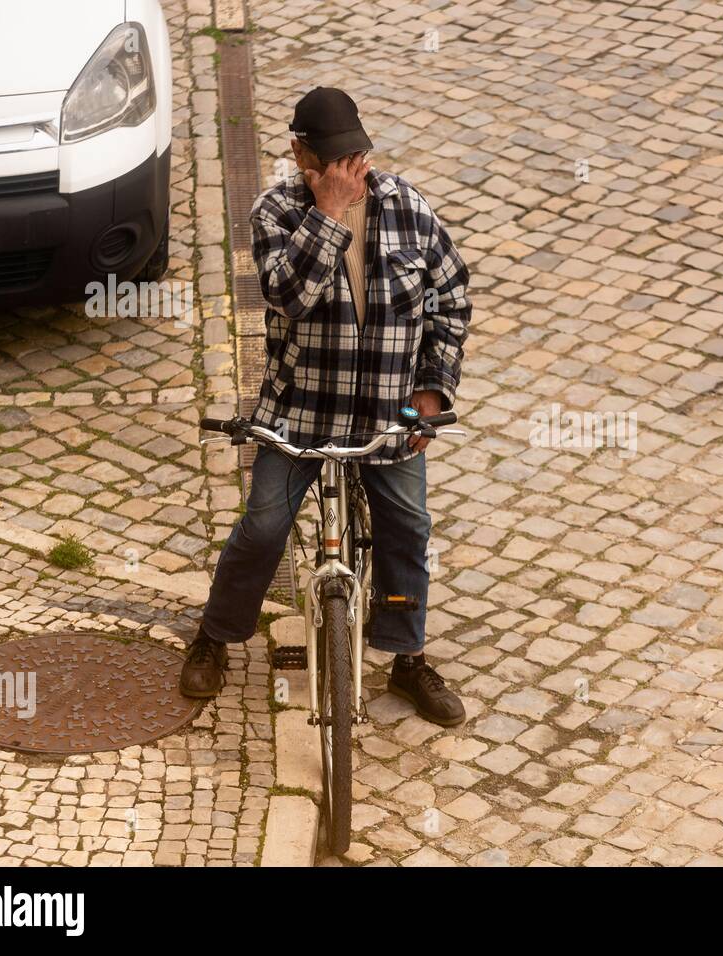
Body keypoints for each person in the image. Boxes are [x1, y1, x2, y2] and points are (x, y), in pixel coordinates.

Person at [179, 87, 471, 727]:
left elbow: (450, 300)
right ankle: (215, 636)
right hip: (298, 416)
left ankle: (407, 657)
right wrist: (329, 215)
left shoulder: (409, 208)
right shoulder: (276, 213)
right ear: (299, 153)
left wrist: (431, 389)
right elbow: (288, 297)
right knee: (261, 528)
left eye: (356, 159)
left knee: (407, 528)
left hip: (388, 418)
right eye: (333, 162)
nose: (349, 173)